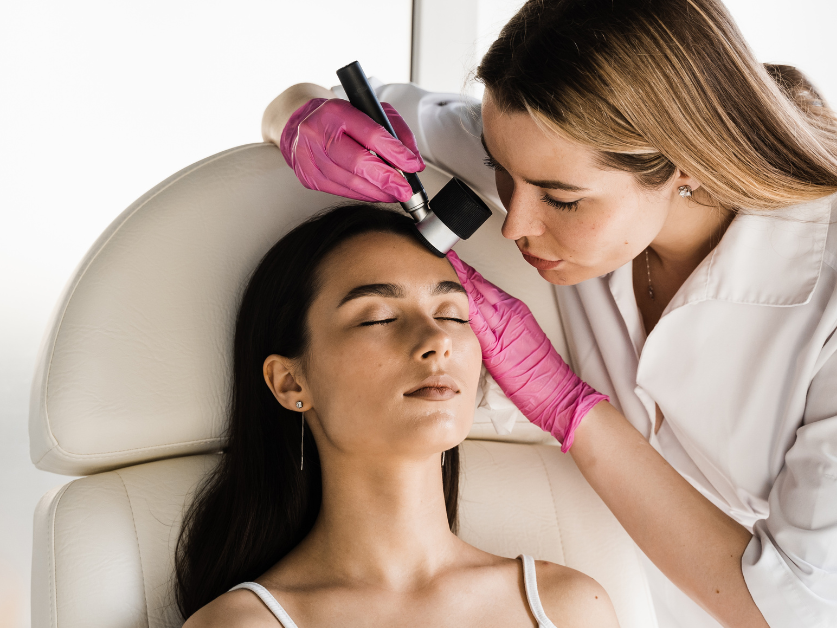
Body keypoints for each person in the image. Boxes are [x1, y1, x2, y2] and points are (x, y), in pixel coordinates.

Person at [264, 1, 837, 626]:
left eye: (562, 200)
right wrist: (299, 118)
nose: (515, 223)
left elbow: (797, 609)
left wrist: (566, 404)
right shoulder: (539, 146)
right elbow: (328, 103)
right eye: (499, 173)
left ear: (687, 163)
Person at [176, 204, 619, 627]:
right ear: (291, 382)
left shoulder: (569, 608)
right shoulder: (241, 625)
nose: (437, 339)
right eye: (379, 318)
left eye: (452, 315)